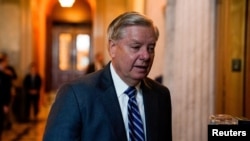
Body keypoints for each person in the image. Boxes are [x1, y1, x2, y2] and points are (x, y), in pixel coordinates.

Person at [43, 11, 172, 141]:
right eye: (136, 47)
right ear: (112, 48)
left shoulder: (161, 95)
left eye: (151, 48)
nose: (146, 56)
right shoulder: (76, 95)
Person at [0, 57, 12, 140]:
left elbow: (6, 91)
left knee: (0, 121)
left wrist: (6, 104)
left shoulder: (5, 76)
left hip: (1, 102)